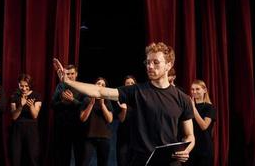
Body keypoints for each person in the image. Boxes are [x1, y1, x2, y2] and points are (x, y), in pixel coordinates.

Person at [53, 42, 195, 166]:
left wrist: (186, 150)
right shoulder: (137, 91)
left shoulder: (183, 99)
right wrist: (69, 82)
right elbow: (99, 91)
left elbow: (190, 136)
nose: (150, 66)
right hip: (142, 161)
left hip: (170, 162)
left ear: (168, 65)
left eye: (156, 62)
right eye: (148, 62)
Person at [51, 64, 84, 166]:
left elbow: (84, 107)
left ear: (76, 74)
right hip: (63, 127)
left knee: (80, 156)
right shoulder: (61, 86)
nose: (70, 76)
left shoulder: (82, 87)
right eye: (68, 74)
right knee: (64, 156)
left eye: (72, 74)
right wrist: (63, 101)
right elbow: (52, 105)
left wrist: (72, 100)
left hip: (78, 127)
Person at [80, 77, 113, 166]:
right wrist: (91, 103)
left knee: (103, 163)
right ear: (94, 85)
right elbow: (83, 118)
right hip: (89, 137)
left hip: (104, 137)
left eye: (103, 85)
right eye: (98, 83)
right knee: (84, 162)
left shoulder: (107, 101)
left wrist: (102, 105)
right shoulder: (87, 99)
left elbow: (110, 119)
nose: (100, 85)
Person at [10, 74, 42, 166]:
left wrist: (31, 105)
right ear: (18, 85)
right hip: (17, 129)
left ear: (30, 85)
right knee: (15, 157)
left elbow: (35, 115)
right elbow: (14, 117)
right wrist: (20, 106)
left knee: (32, 157)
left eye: (26, 86)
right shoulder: (14, 96)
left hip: (31, 129)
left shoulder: (36, 95)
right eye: (21, 86)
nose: (24, 88)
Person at [188, 80, 216, 166]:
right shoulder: (188, 106)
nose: (194, 92)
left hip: (205, 148)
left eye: (197, 89)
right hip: (191, 147)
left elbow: (204, 126)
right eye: (192, 89)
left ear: (205, 90)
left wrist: (193, 108)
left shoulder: (209, 107)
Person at [114, 75, 137, 166]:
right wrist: (124, 110)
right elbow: (121, 119)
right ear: (124, 85)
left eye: (132, 83)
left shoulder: (138, 99)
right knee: (122, 161)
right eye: (127, 83)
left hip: (136, 137)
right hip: (123, 136)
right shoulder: (120, 99)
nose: (130, 85)